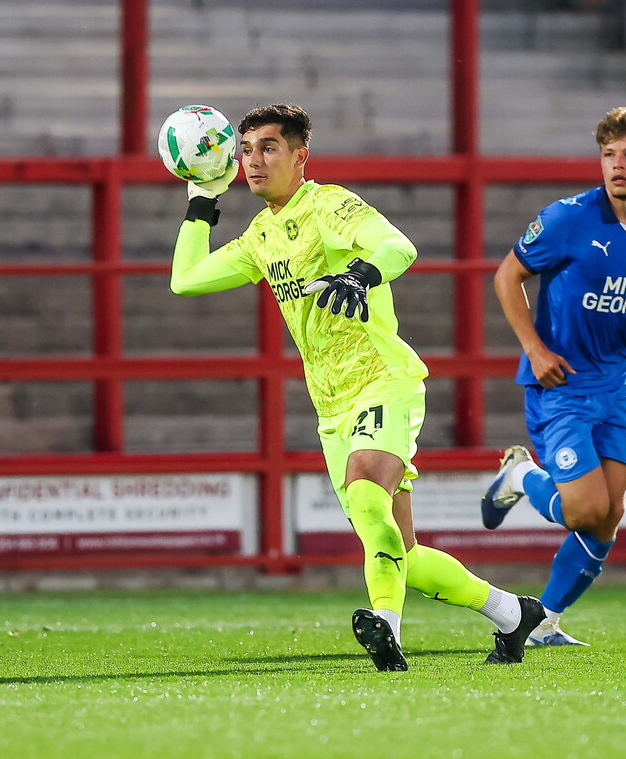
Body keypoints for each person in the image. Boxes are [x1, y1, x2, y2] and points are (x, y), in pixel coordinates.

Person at [169, 103, 544, 670]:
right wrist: (202, 201)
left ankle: (386, 630)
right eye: (245, 150)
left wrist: (360, 273)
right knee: (400, 550)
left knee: (367, 490)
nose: (253, 161)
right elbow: (185, 281)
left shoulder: (328, 204)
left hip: (382, 380)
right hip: (331, 405)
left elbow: (399, 247)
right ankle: (515, 616)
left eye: (269, 148)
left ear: (300, 156)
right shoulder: (260, 235)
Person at [482, 104, 626, 646]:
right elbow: (507, 275)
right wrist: (534, 349)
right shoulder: (568, 218)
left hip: (616, 385)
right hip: (560, 381)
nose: (617, 165)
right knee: (585, 508)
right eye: (609, 154)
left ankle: (545, 622)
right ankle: (519, 477)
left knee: (608, 516)